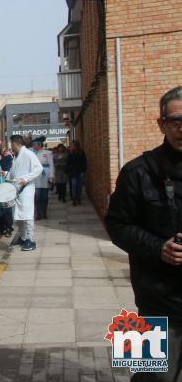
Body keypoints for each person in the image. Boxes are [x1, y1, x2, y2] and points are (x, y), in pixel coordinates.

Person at [105, 86, 182, 382]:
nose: (181, 128)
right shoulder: (136, 171)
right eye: (175, 120)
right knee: (147, 377)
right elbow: (116, 225)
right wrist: (157, 247)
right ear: (161, 123)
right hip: (153, 300)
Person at [4, 135, 43, 251]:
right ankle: (23, 237)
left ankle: (31, 240)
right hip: (17, 190)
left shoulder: (28, 153)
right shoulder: (16, 156)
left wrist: (26, 178)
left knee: (27, 215)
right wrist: (5, 173)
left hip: (26, 189)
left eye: (11, 144)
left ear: (15, 143)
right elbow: (13, 172)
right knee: (19, 216)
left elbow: (38, 168)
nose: (10, 147)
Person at [0, 145, 14, 237]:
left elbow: (9, 171)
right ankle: (1, 228)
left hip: (7, 187)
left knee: (7, 208)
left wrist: (2, 172)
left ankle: (8, 228)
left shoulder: (7, 159)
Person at [32, 137, 54, 220]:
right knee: (37, 196)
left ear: (39, 145)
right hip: (36, 176)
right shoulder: (32, 153)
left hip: (45, 175)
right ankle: (38, 213)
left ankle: (44, 212)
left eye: (35, 145)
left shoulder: (48, 153)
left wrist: (51, 176)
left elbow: (51, 164)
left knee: (44, 196)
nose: (33, 146)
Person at [66, 140, 86, 206]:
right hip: (73, 172)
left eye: (73, 145)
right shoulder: (70, 153)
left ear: (76, 145)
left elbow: (84, 162)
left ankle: (78, 198)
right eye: (72, 145)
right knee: (74, 185)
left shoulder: (81, 152)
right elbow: (68, 162)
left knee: (79, 186)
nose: (72, 146)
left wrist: (83, 171)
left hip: (80, 172)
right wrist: (67, 171)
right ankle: (74, 199)